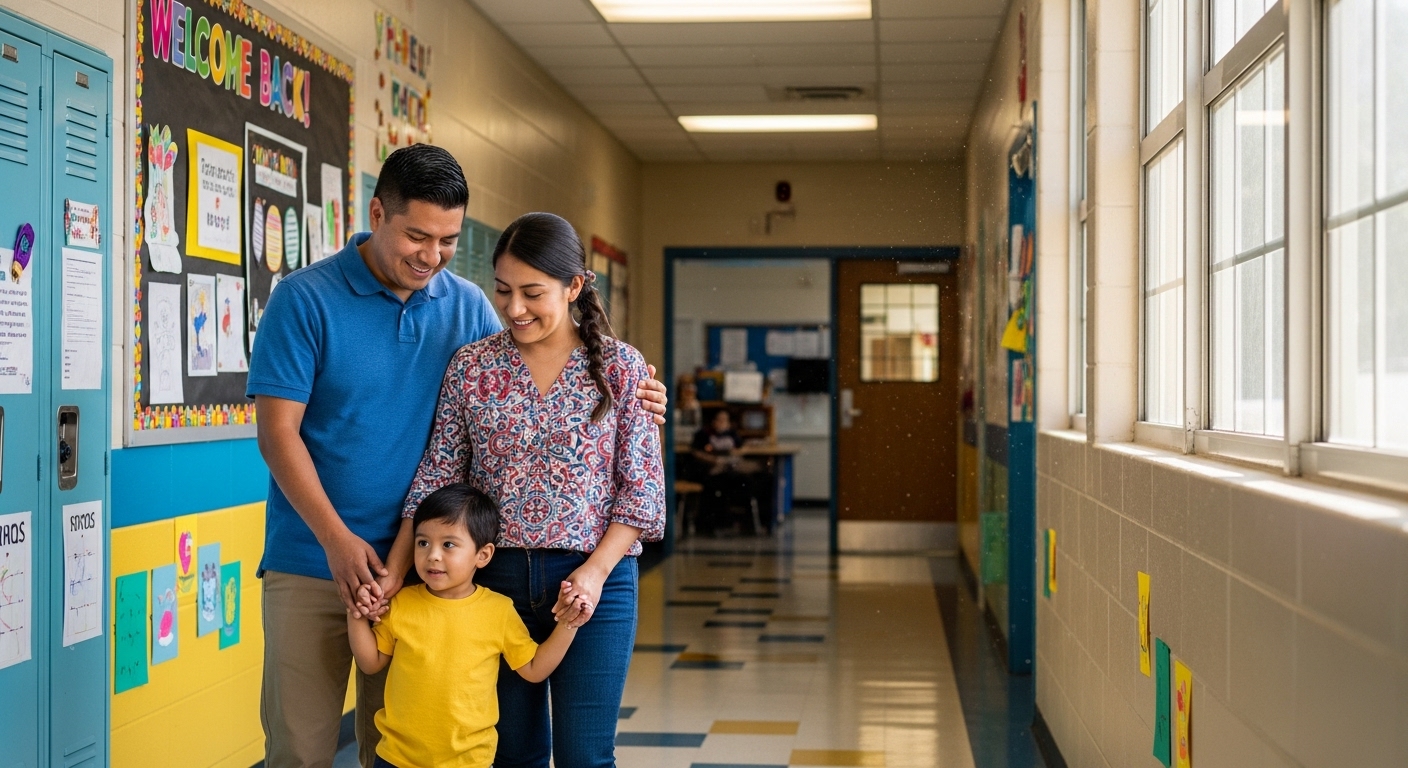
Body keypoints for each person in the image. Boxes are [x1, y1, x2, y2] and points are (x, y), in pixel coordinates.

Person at [247, 145, 667, 768]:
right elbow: (279, 433)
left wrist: (638, 392)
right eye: (417, 236)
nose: (432, 256)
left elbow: (539, 387)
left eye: (447, 240)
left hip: (429, 566)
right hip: (318, 554)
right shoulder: (305, 299)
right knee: (302, 748)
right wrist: (338, 541)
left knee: (407, 746)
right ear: (377, 211)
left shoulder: (467, 305)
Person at [391, 212, 666, 768]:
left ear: (574, 287)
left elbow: (641, 493)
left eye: (533, 293)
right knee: (512, 755)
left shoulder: (620, 368)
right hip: (493, 583)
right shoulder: (472, 367)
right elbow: (439, 475)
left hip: (598, 582)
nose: (515, 309)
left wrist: (593, 573)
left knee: (586, 756)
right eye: (504, 291)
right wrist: (397, 568)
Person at [347, 484, 584, 768]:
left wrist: (569, 623)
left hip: (468, 760)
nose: (433, 555)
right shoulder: (402, 603)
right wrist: (356, 612)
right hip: (397, 757)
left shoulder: (498, 610)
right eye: (423, 543)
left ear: (482, 555)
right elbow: (371, 662)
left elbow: (534, 669)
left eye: (448, 544)